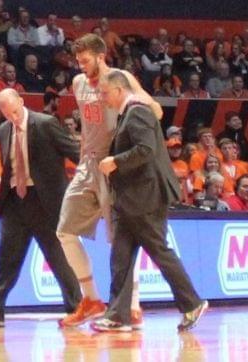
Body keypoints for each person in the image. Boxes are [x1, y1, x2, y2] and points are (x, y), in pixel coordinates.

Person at [57, 34, 162, 328]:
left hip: (113, 166)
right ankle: (90, 300)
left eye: (85, 61)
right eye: (77, 61)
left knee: (120, 238)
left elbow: (155, 111)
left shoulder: (122, 78)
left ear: (101, 57)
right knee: (64, 231)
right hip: (87, 164)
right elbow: (88, 126)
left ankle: (133, 304)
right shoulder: (78, 84)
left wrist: (139, 100)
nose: (80, 66)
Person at [95, 70, 207, 332]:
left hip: (145, 198)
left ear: (119, 90)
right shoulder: (128, 114)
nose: (102, 98)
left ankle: (192, 302)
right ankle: (117, 314)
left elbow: (145, 150)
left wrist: (115, 161)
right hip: (130, 200)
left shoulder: (138, 112)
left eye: (105, 93)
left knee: (159, 251)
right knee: (120, 257)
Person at [0, 89, 82, 327]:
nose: (13, 117)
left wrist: (90, 181)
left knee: (57, 257)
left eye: (15, 111)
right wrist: (2, 200)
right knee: (6, 257)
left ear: (22, 101)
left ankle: (76, 307)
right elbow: (9, 167)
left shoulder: (46, 123)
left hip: (45, 201)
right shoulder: (3, 129)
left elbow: (76, 153)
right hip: (15, 202)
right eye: (7, 114)